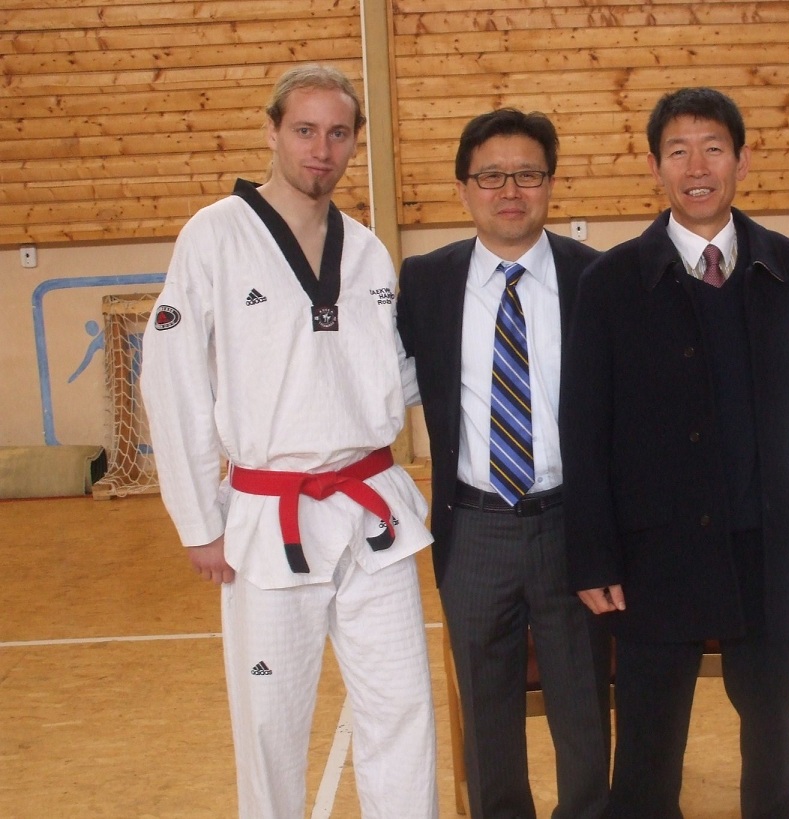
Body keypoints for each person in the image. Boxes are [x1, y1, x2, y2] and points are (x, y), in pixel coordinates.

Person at [141, 64, 437, 818]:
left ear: (355, 142)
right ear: (271, 130)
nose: (321, 150)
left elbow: (387, 374)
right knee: (271, 725)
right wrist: (198, 520)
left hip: (374, 513)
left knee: (402, 708)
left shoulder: (366, 249)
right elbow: (172, 380)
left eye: (338, 134)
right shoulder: (214, 236)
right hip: (269, 516)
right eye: (304, 130)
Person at [561, 87, 789, 818]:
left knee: (771, 728)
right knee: (647, 744)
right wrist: (593, 555)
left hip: (766, 545)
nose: (697, 167)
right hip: (655, 552)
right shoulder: (610, 283)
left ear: (742, 159)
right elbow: (583, 427)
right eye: (678, 151)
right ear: (654, 167)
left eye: (713, 148)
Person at [396, 108, 610, 819]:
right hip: (474, 527)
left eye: (527, 174)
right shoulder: (426, 281)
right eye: (490, 176)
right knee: (485, 720)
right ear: (463, 189)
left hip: (572, 524)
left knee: (583, 708)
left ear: (550, 184)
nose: (509, 190)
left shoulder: (595, 277)